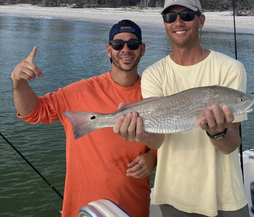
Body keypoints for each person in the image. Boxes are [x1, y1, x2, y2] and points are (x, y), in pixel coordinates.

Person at [114, 0, 249, 217]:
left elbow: (230, 145)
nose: (178, 22)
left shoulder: (231, 69)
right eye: (170, 17)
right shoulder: (153, 74)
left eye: (186, 15)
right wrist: (140, 132)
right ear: (165, 24)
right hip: (172, 196)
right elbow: (157, 141)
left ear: (201, 20)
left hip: (225, 197)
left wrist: (217, 133)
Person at [11, 19, 157, 217]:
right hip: (81, 208)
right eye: (117, 44)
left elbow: (168, 143)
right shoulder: (80, 91)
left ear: (142, 49)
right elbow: (34, 112)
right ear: (108, 50)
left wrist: (153, 158)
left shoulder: (153, 94)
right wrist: (19, 83)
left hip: (132, 208)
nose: (125, 49)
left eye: (132, 44)